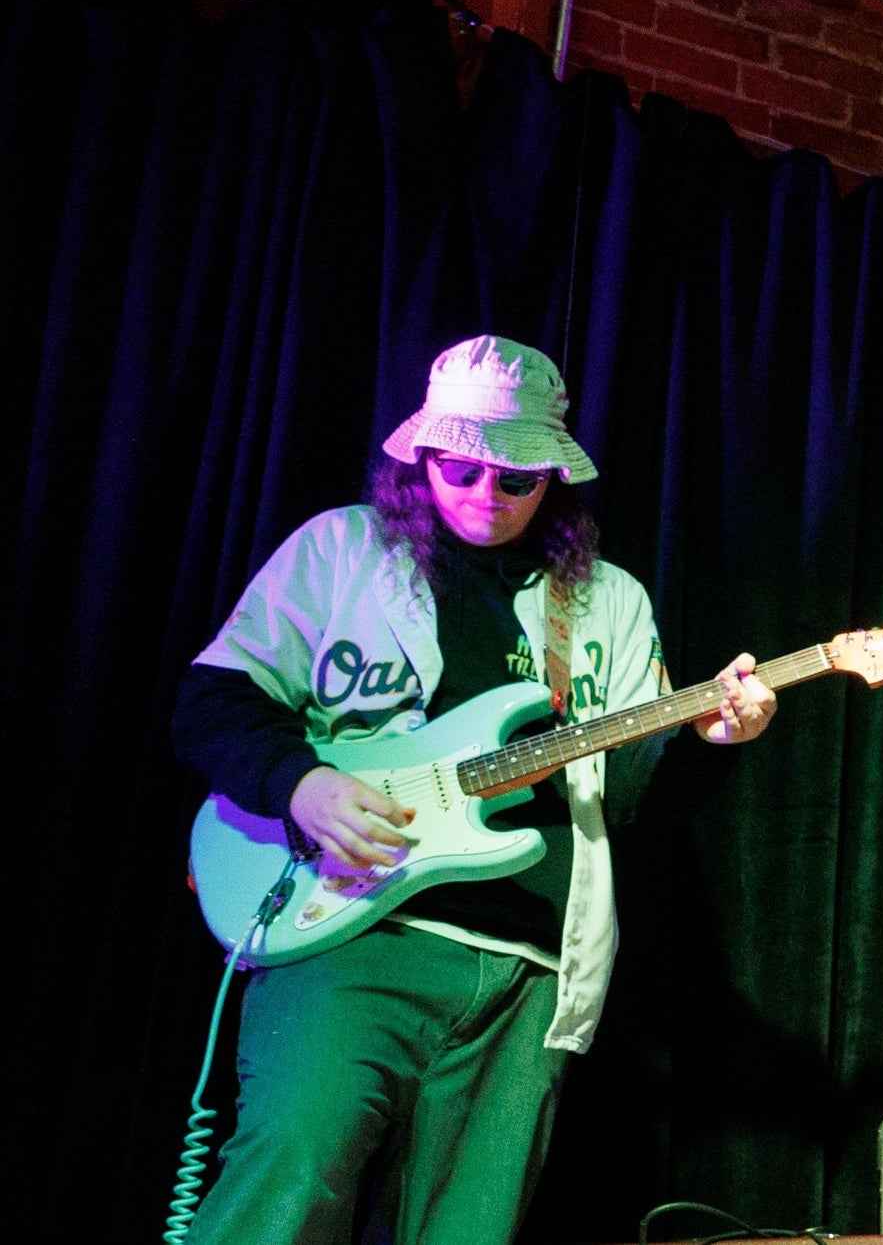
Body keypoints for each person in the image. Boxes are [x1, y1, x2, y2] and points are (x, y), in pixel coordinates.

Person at [171, 335, 777, 1243]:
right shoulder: (339, 550)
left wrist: (712, 742)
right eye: (460, 468)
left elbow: (633, 797)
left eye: (516, 478)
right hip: (350, 936)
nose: (485, 493)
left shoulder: (608, 600)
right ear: (420, 456)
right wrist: (303, 784)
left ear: (553, 479)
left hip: (530, 978)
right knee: (285, 1189)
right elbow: (212, 700)